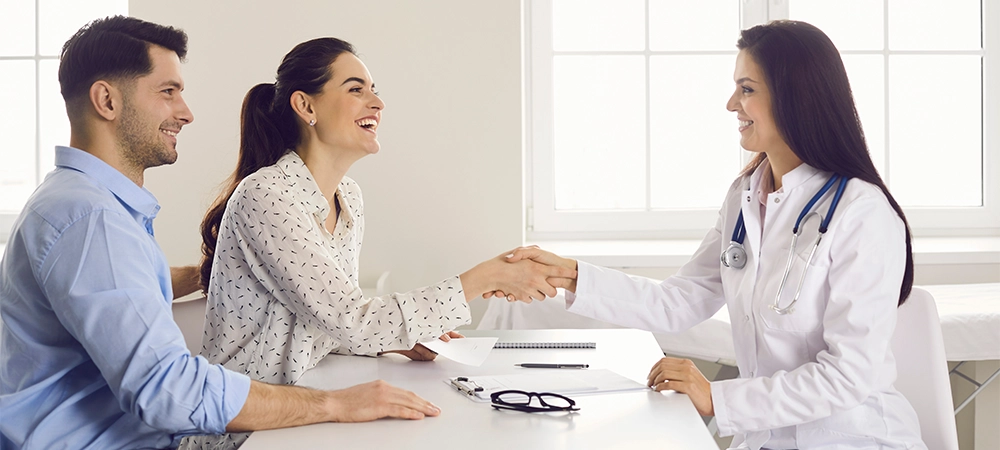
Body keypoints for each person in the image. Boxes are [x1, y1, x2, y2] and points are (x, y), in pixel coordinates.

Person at [0, 16, 451, 450]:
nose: (187, 112)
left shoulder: (79, 203)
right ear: (107, 101)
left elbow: (122, 286)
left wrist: (212, 272)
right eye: (168, 92)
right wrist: (333, 404)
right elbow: (167, 391)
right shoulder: (90, 219)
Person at [497, 21, 926, 449]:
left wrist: (716, 397)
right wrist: (571, 275)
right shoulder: (745, 195)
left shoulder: (861, 212)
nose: (731, 104)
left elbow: (850, 375)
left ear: (796, 96)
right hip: (762, 438)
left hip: (850, 438)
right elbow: (678, 302)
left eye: (747, 89)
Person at [182, 37, 573, 449]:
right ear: (306, 107)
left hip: (305, 413)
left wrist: (394, 341)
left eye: (374, 90)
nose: (377, 103)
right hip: (246, 432)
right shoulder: (266, 196)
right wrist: (482, 279)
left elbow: (327, 322)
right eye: (356, 89)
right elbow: (353, 319)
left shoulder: (348, 196)